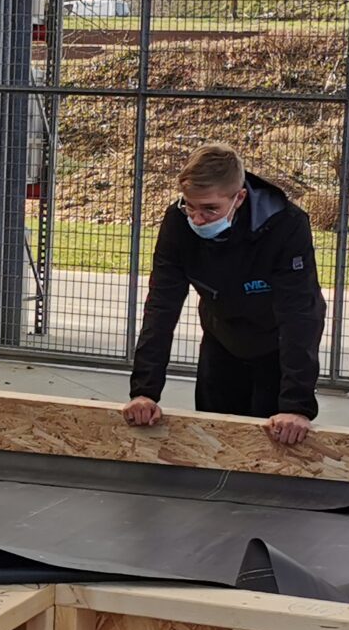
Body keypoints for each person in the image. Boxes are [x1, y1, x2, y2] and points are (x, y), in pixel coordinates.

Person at [123, 144, 326, 447]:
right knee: (214, 443)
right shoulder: (178, 224)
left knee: (274, 445)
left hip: (276, 345)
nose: (198, 219)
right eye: (190, 206)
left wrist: (296, 406)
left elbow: (299, 313)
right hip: (222, 337)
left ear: (239, 198)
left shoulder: (285, 225)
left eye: (210, 209)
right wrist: (144, 391)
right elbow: (161, 306)